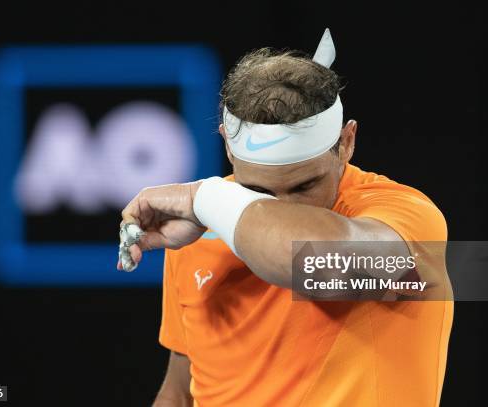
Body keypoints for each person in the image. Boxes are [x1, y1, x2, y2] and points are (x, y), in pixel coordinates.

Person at [118, 29, 453, 406]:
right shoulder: (201, 228)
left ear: (346, 143)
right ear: (227, 146)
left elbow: (321, 265)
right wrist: (210, 204)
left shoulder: (407, 216)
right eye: (259, 193)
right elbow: (181, 393)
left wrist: (206, 197)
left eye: (303, 187)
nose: (280, 210)